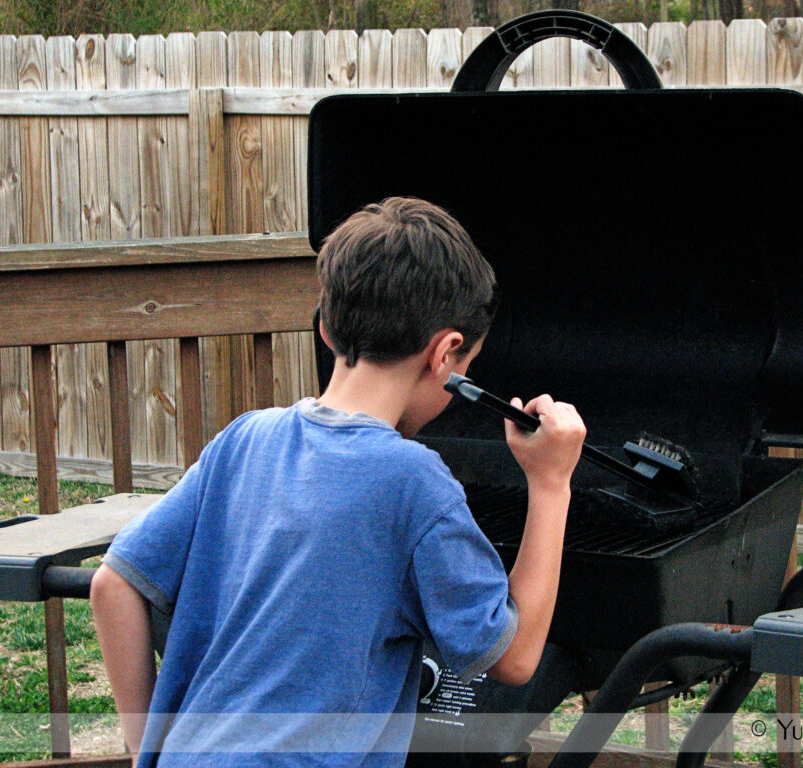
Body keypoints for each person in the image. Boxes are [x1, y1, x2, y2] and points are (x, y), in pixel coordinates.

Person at [90, 196, 587, 767]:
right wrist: (551, 485)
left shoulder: (245, 438)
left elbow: (113, 586)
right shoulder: (413, 482)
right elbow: (515, 658)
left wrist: (143, 749)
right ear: (446, 354)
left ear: (326, 329)